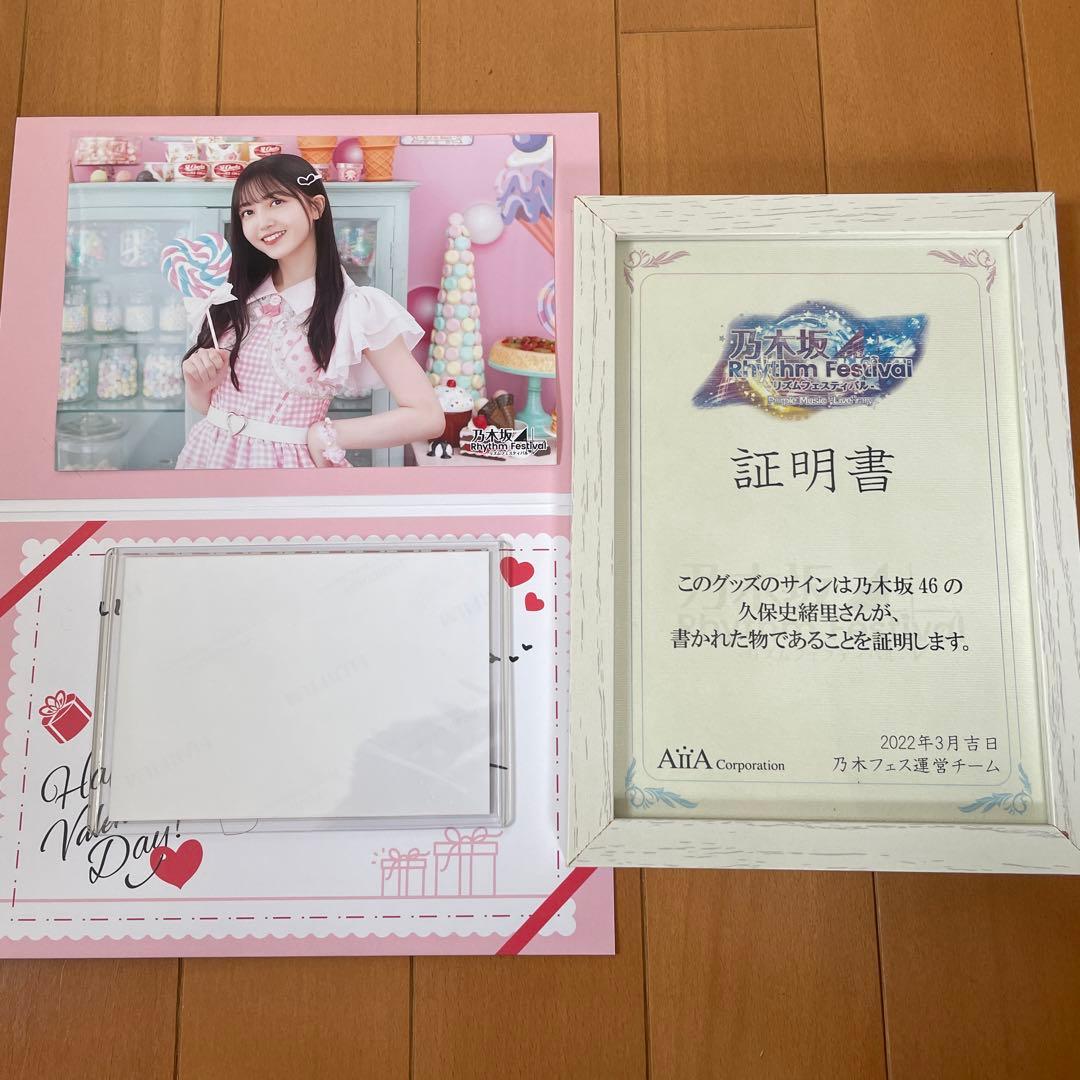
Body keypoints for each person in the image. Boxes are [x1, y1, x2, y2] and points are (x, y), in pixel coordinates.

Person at [176, 153, 444, 468]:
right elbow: (209, 409)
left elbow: (427, 416)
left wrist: (326, 436)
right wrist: (198, 383)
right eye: (248, 211)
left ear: (316, 207)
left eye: (276, 202)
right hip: (208, 458)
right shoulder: (229, 298)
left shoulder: (355, 308)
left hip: (283, 472)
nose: (262, 222)